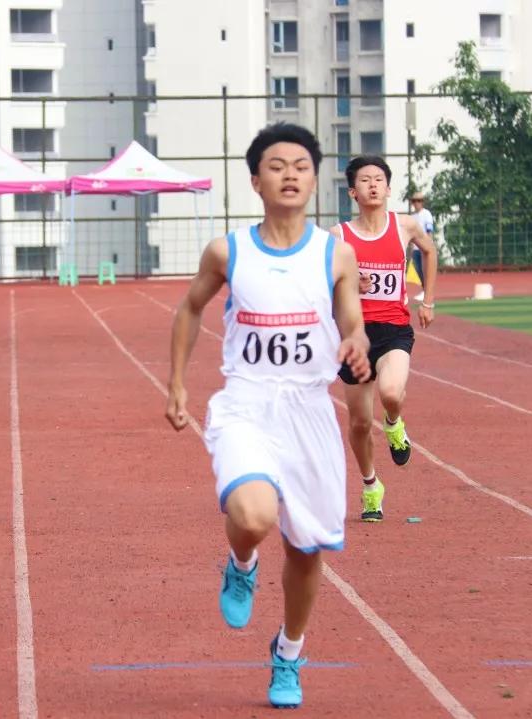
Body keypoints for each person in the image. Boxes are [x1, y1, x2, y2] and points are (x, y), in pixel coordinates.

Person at [166, 123, 370, 709]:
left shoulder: (336, 253)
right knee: (253, 514)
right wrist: (177, 384)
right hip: (247, 404)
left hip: (308, 409)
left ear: (315, 180)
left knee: (307, 549)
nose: (289, 174)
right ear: (256, 181)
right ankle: (242, 560)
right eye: (276, 165)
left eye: (301, 166)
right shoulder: (229, 250)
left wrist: (354, 341)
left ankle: (288, 653)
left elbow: (350, 317)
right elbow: (189, 309)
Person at [330, 156, 437, 523]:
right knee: (359, 424)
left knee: (391, 392)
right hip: (355, 336)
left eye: (379, 179)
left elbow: (430, 250)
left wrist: (428, 299)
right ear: (352, 192)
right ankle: (371, 485)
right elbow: (320, 284)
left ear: (389, 189)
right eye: (365, 180)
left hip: (394, 329)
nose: (373, 185)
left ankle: (394, 423)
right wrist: (346, 283)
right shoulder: (338, 236)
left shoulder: (404, 226)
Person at [409, 192, 436, 302]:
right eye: (415, 201)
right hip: (415, 248)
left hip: (424, 247)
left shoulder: (426, 214)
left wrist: (428, 246)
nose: (417, 203)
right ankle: (424, 291)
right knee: (419, 270)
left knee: (426, 271)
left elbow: (429, 231)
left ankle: (427, 293)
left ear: (423, 202)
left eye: (419, 200)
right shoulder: (412, 217)